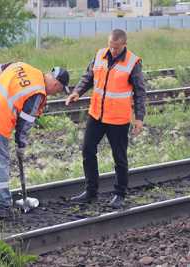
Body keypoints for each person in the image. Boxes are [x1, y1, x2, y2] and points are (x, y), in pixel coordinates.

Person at [0, 62, 70, 218]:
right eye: (57, 91)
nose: (54, 94)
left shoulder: (22, 66)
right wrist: (21, 145)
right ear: (56, 84)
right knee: (0, 161)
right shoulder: (38, 92)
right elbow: (25, 122)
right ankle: (3, 206)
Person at [66, 29, 146, 209]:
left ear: (124, 45)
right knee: (87, 150)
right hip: (97, 115)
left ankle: (119, 194)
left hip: (118, 119)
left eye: (116, 48)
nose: (112, 50)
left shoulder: (132, 62)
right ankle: (91, 191)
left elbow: (140, 93)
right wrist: (77, 92)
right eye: (110, 46)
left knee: (119, 157)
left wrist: (139, 118)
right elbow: (88, 76)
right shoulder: (100, 54)